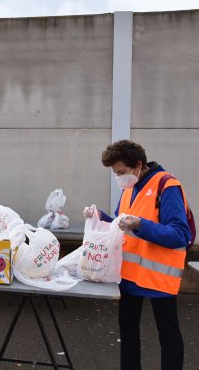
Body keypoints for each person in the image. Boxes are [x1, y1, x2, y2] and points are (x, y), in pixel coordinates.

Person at [83, 140, 191, 370]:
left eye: (121, 172)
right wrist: (100, 217)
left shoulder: (168, 185)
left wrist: (142, 224)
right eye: (115, 173)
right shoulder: (129, 187)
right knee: (128, 333)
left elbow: (180, 234)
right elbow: (122, 224)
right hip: (129, 275)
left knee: (168, 336)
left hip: (159, 277)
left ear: (138, 165)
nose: (118, 177)